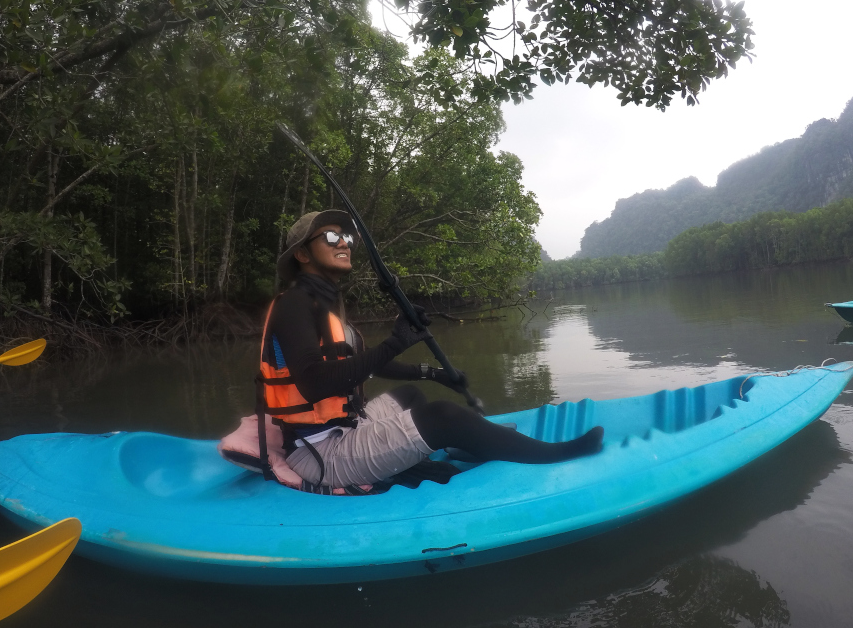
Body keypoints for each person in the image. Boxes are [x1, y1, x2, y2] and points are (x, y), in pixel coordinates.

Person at [256, 209, 604, 490]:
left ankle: (447, 449)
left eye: (347, 237)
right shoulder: (294, 305)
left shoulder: (325, 304)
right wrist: (396, 342)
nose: (344, 243)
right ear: (302, 253)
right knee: (443, 416)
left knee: (409, 395)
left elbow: (365, 367)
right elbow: (315, 384)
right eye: (331, 237)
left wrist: (432, 374)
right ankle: (557, 453)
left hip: (345, 428)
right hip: (318, 454)